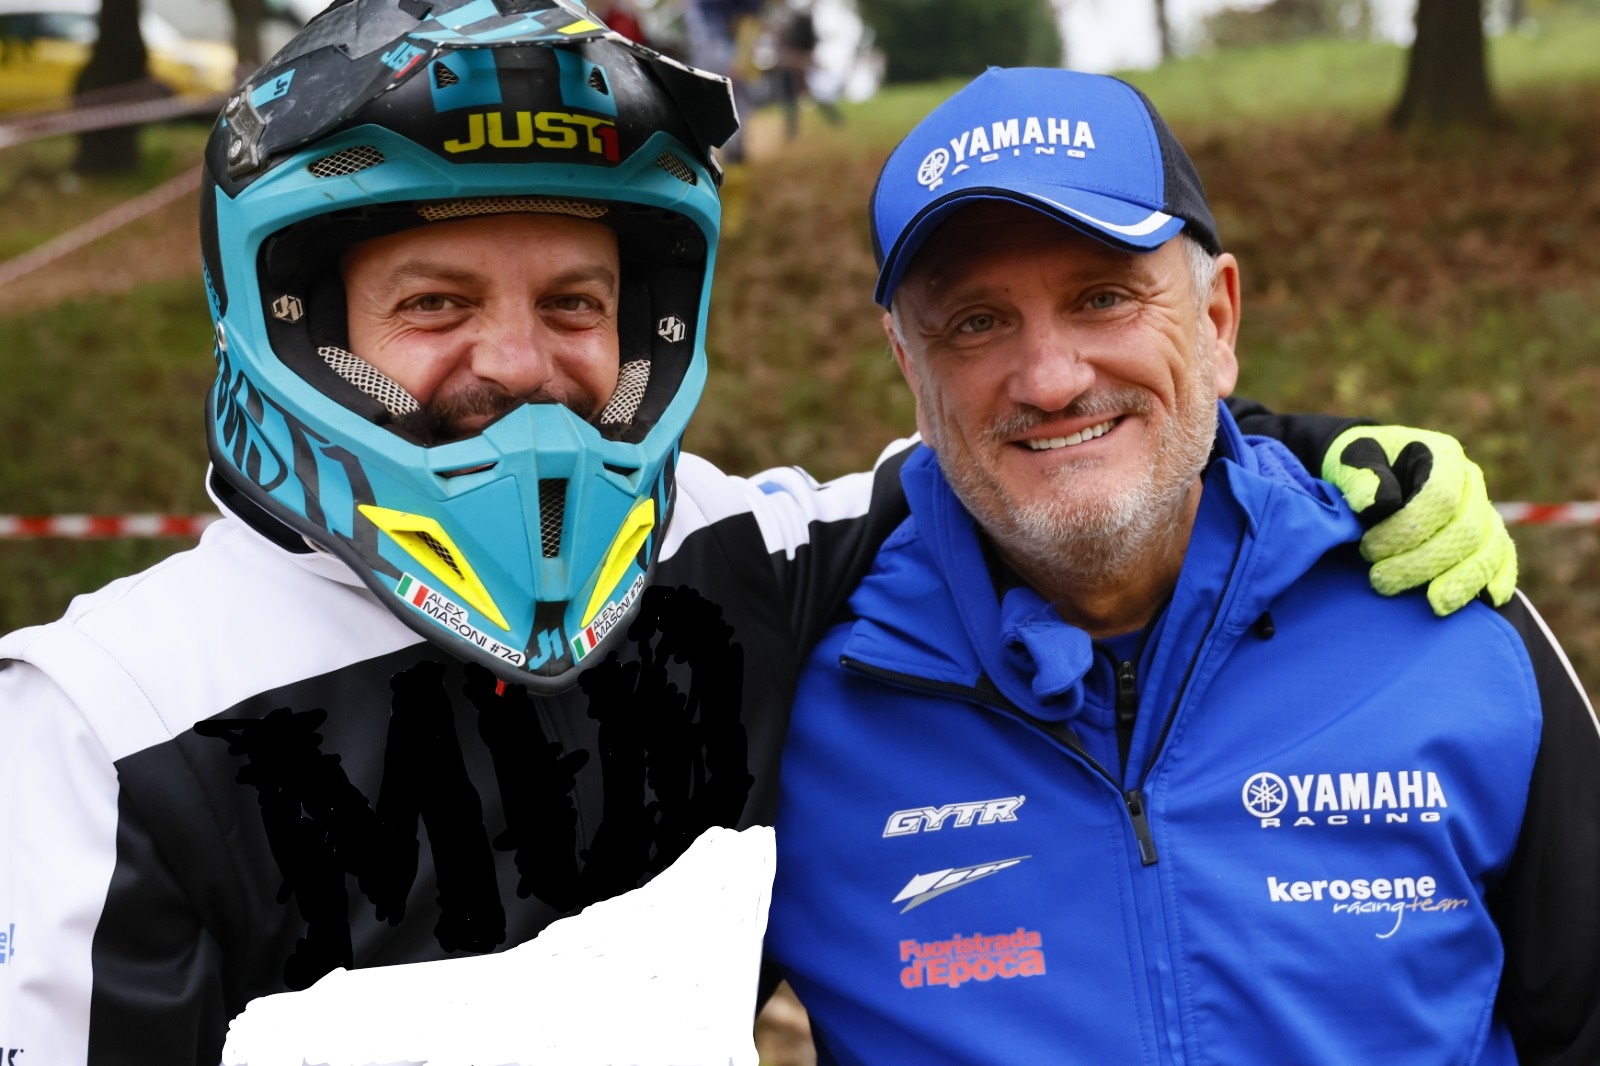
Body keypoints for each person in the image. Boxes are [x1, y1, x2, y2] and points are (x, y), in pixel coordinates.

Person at [0, 5, 1514, 1059]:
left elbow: (1045, 452)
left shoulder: (750, 573)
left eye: (576, 302)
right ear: (294, 318)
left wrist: (1329, 464)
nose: (520, 363)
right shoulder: (98, 736)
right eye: (436, 301)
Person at [764, 67, 1599, 1064]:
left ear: (1216, 321)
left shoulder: (1444, 621)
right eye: (976, 322)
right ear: (910, 365)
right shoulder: (796, 702)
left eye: (1103, 298)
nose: (1050, 380)